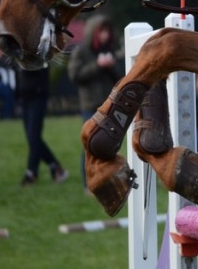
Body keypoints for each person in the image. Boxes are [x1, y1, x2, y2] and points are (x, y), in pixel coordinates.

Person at [67, 15, 125, 187]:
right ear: (94, 32)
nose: (105, 35)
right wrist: (97, 66)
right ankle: (89, 184)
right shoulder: (81, 52)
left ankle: (108, 180)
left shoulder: (110, 50)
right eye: (102, 31)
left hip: (109, 106)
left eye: (108, 31)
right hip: (90, 106)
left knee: (110, 144)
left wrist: (111, 65)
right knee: (90, 145)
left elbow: (120, 78)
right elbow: (75, 75)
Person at [17, 65, 69, 185]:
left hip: (38, 96)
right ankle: (55, 167)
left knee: (33, 137)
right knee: (32, 139)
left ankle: (31, 173)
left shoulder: (40, 50)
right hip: (25, 96)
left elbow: (32, 67)